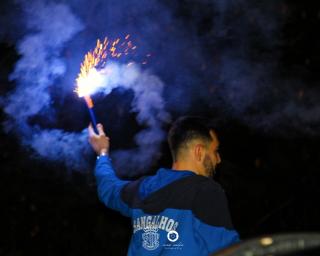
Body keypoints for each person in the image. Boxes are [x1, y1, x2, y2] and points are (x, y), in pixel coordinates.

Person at [88, 116, 240, 256]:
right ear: (199, 151)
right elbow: (230, 251)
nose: (218, 159)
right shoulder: (206, 190)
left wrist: (102, 153)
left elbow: (107, 188)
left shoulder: (142, 189)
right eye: (215, 151)